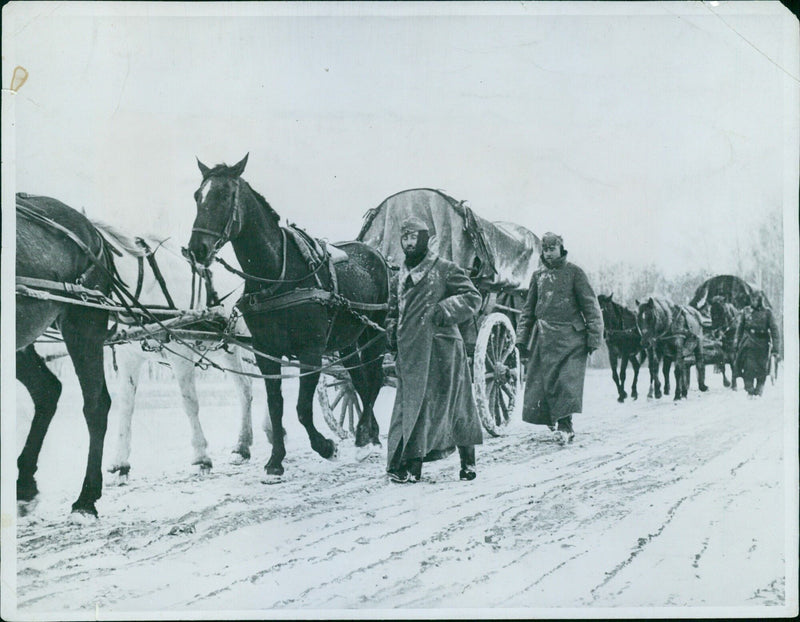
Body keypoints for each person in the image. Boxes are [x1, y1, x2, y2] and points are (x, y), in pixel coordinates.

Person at [385, 216, 483, 483]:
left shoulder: (444, 269)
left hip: (442, 350)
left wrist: (445, 309)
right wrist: (391, 333)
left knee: (457, 404)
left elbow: (473, 297)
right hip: (410, 351)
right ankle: (409, 466)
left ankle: (468, 462)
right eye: (404, 238)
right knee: (412, 406)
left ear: (424, 239)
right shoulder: (398, 277)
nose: (408, 243)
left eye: (413, 237)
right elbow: (393, 311)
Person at [515, 232, 603, 444]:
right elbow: (528, 310)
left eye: (552, 248)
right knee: (544, 383)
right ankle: (554, 420)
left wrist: (594, 337)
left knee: (566, 383)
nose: (549, 253)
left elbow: (591, 307)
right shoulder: (538, 276)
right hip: (544, 339)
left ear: (561, 248)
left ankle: (566, 426)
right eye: (545, 249)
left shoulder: (575, 273)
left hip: (572, 339)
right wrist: (521, 339)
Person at [732, 291, 781, 396]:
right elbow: (739, 329)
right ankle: (749, 389)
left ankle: (759, 391)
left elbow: (775, 331)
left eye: (756, 300)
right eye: (752, 299)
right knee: (748, 367)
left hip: (762, 345)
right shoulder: (746, 311)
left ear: (760, 300)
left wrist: (776, 349)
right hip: (748, 343)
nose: (753, 302)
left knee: (762, 369)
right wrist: (736, 343)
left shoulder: (768, 313)